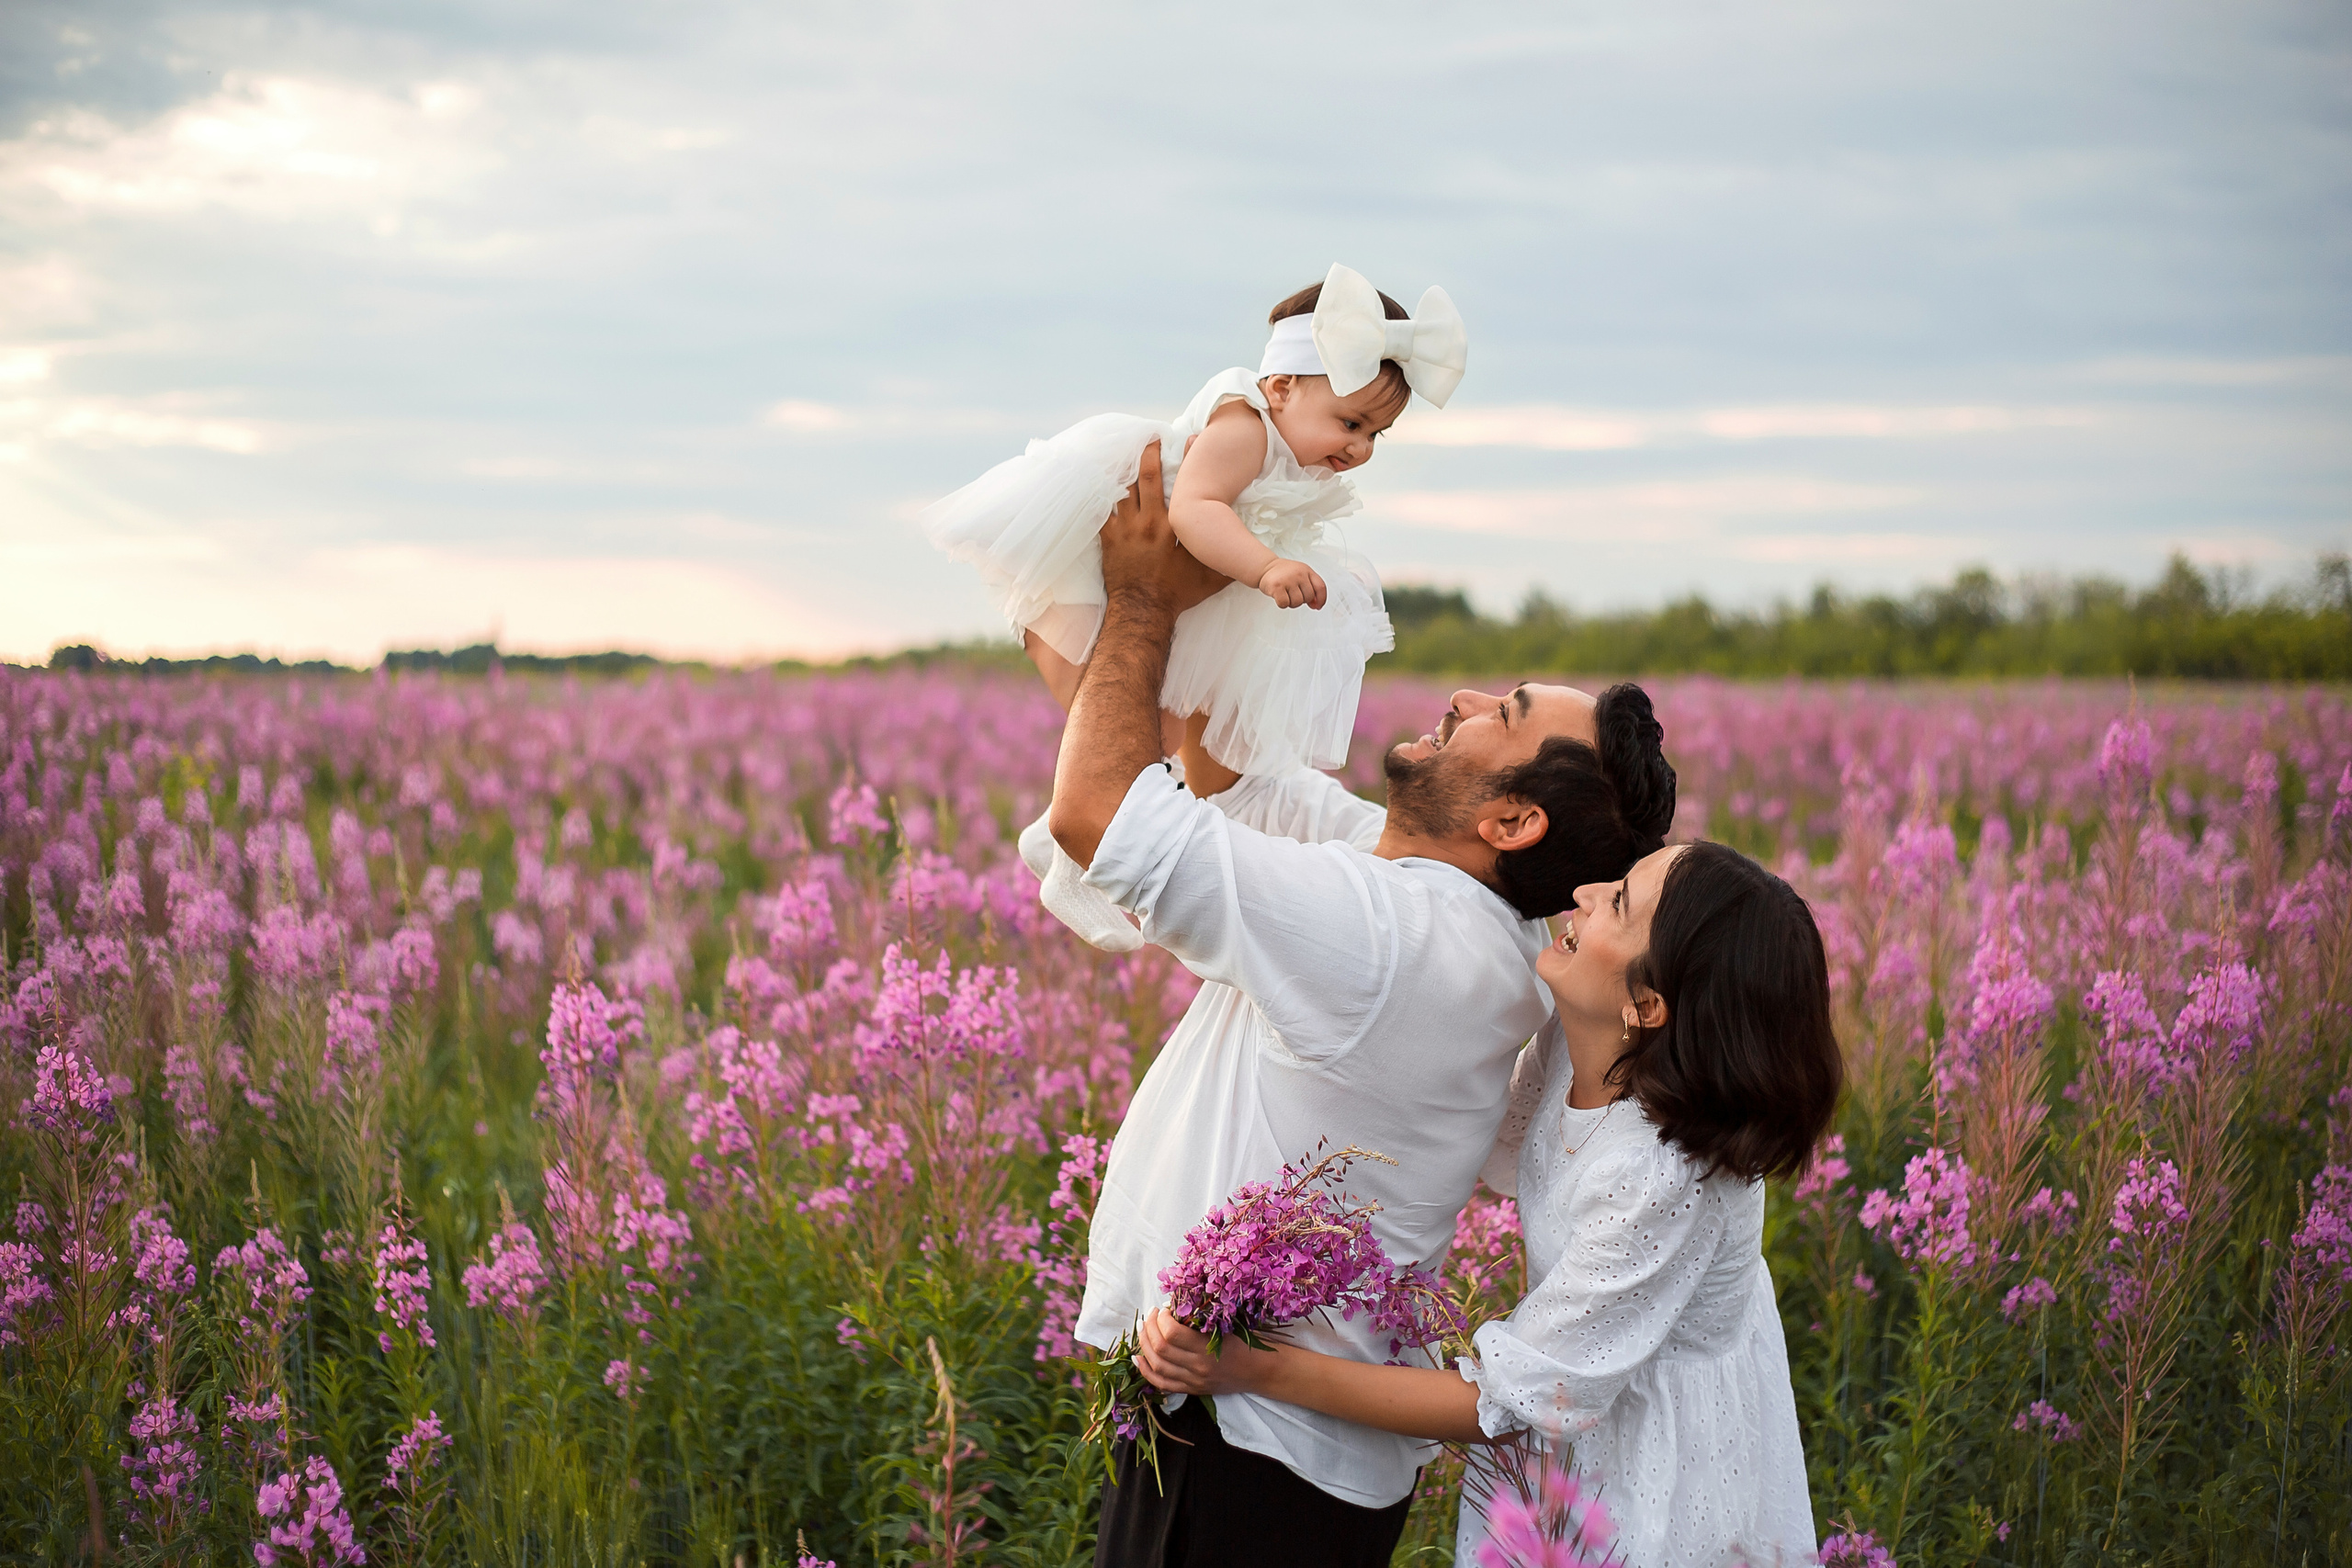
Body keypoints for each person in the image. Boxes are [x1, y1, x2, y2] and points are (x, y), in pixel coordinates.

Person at [1047, 445, 1679, 1568]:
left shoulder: (1390, 939)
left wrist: (1140, 596)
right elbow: (1226, 777)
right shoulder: (1446, 913)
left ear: (1510, 822)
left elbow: (1099, 812)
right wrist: (1221, 578)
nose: (1467, 698)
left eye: (1508, 712)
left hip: (1246, 1450)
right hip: (1265, 1445)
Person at [1135, 840, 1846, 1568]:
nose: (1587, 886)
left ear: (1647, 1006)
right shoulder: (1582, 1041)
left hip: (1655, 1459)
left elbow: (1498, 1405)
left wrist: (1250, 1368)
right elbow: (1474, 1132)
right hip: (1579, 1398)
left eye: (1620, 902)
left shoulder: (1662, 1177)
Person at [927, 262, 1467, 951]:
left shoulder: (1281, 441)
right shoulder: (1244, 427)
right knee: (1144, 725)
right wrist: (1267, 564)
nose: (1359, 447)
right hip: (1116, 545)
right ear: (1280, 387)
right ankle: (1072, 855)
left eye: (1374, 435)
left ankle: (1062, 838)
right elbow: (1193, 509)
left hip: (1187, 577)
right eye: (1350, 422)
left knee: (1166, 725)